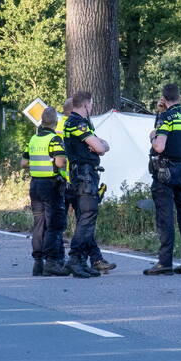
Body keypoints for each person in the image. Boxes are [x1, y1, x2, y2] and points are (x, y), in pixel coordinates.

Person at [143, 83, 181, 276]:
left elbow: (159, 146)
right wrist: (160, 114)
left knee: (165, 216)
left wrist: (153, 136)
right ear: (180, 97)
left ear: (164, 99)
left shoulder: (166, 117)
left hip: (165, 171)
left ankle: (164, 262)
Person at [59, 97, 115, 273]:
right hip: (85, 176)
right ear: (85, 104)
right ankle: (75, 257)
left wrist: (100, 145)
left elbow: (102, 144)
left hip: (81, 175)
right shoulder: (78, 123)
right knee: (88, 216)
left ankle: (84, 259)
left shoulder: (77, 123)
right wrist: (99, 146)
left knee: (86, 216)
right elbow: (100, 147)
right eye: (91, 104)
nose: (92, 106)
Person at [21, 106, 69, 277]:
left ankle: (37, 262)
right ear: (55, 123)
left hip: (35, 186)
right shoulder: (55, 139)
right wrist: (61, 161)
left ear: (42, 121)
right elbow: (59, 162)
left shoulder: (33, 139)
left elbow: (24, 163)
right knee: (54, 225)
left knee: (39, 224)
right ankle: (51, 262)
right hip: (51, 186)